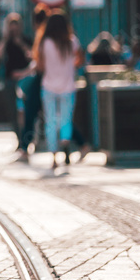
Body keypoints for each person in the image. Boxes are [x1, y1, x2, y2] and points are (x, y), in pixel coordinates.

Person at [34, 10, 83, 168]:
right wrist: (70, 66)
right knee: (66, 119)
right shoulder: (72, 41)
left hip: (48, 85)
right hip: (68, 85)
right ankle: (65, 143)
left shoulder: (44, 42)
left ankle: (54, 157)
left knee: (50, 120)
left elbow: (40, 65)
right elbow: (80, 59)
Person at [0, 13, 32, 144]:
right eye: (11, 28)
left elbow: (33, 57)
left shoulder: (26, 40)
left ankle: (28, 139)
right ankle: (20, 140)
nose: (14, 30)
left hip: (25, 80)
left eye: (16, 27)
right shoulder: (5, 42)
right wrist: (5, 39)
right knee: (12, 112)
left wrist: (20, 44)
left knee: (26, 111)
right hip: (9, 81)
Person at [17, 3, 50, 161]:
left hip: (42, 79)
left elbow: (40, 62)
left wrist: (25, 71)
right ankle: (81, 143)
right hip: (46, 79)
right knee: (54, 115)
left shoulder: (42, 36)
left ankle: (25, 148)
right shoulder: (49, 35)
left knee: (31, 112)